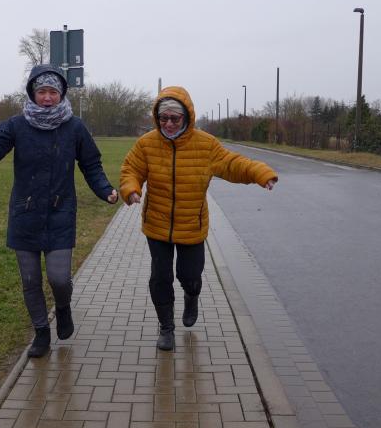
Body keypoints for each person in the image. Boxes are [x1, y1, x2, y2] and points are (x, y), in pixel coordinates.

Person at [0, 64, 118, 358]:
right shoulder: (17, 125)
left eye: (53, 91)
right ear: (32, 93)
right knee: (30, 281)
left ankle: (63, 307)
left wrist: (106, 190)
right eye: (42, 91)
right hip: (25, 214)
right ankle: (41, 332)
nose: (48, 97)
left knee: (59, 278)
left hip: (60, 213)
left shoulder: (75, 127)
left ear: (61, 93)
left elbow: (91, 164)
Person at [119, 86, 277, 351]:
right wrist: (131, 189)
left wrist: (260, 173)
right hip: (157, 224)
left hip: (192, 224)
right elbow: (130, 169)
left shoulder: (206, 144)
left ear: (187, 117)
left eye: (175, 118)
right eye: (163, 118)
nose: (169, 124)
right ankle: (166, 328)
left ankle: (191, 296)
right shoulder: (146, 143)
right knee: (160, 278)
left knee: (190, 276)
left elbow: (232, 164)